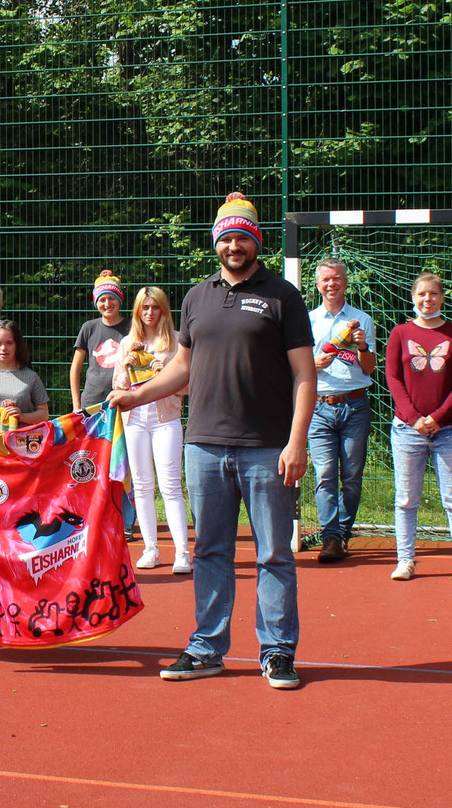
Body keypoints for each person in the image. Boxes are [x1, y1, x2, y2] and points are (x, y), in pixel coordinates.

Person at [108, 192, 316, 689]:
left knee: (273, 555)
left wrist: (297, 441)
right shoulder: (196, 297)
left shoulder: (282, 295)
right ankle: (207, 648)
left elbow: (305, 374)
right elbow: (182, 366)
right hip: (203, 445)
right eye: (227, 237)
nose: (235, 245)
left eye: (243, 237)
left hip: (268, 448)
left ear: (256, 241)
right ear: (217, 243)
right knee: (211, 553)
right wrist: (135, 396)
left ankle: (278, 652)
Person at [384, 273, 452, 585]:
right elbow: (393, 379)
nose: (428, 300)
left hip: (449, 431)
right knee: (406, 500)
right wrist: (413, 417)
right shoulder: (400, 333)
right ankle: (405, 560)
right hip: (407, 430)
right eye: (422, 294)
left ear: (442, 298)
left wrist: (437, 417)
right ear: (413, 298)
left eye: (434, 294)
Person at [305, 258, 377, 564]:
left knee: (350, 476)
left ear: (345, 282)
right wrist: (313, 364)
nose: (331, 284)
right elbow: (294, 367)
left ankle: (342, 532)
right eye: (325, 280)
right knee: (324, 474)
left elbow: (371, 368)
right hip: (319, 406)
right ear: (318, 285)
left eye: (336, 279)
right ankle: (331, 537)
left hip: (355, 404)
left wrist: (363, 348)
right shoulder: (307, 321)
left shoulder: (362, 320)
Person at [119, 285, 189, 574]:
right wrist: (124, 368)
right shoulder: (127, 343)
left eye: (155, 307)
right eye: (144, 307)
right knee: (142, 485)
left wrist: (165, 371)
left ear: (164, 310)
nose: (149, 313)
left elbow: (188, 386)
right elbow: (118, 389)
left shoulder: (176, 342)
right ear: (137, 311)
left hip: (166, 420)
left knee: (170, 486)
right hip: (134, 421)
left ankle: (182, 553)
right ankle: (151, 549)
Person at [69, 270, 130, 414]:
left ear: (120, 300)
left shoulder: (132, 327)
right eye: (102, 299)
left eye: (112, 298)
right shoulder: (89, 327)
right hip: (91, 402)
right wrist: (76, 405)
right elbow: (75, 369)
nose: (107, 304)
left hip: (123, 400)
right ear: (96, 302)